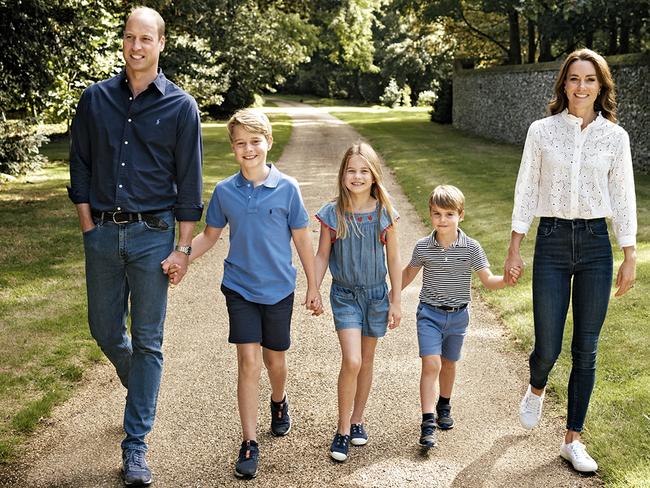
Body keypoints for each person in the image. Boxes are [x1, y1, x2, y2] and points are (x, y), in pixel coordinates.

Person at [68, 7, 202, 486]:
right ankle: (140, 389)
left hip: (153, 236)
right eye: (129, 37)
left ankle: (136, 446)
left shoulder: (182, 107)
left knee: (148, 340)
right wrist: (88, 226)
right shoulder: (94, 99)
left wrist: (183, 248)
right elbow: (79, 167)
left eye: (146, 38)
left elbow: (189, 184)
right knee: (104, 329)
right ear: (123, 42)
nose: (136, 46)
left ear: (161, 44)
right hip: (102, 233)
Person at [165, 108, 322, 479]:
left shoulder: (288, 188)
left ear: (268, 142)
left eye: (255, 142)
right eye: (240, 144)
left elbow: (302, 238)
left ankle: (279, 401)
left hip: (279, 288)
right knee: (248, 363)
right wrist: (181, 256)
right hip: (240, 288)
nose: (248, 149)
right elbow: (210, 236)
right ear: (233, 149)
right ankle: (250, 441)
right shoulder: (224, 191)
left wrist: (313, 285)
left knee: (275, 361)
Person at [505, 48, 637, 473]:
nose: (582, 86)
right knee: (548, 346)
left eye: (590, 79)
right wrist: (514, 245)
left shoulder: (615, 138)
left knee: (587, 348)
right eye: (575, 78)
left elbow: (623, 197)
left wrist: (628, 253)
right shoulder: (541, 131)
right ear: (564, 83)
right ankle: (537, 385)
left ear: (601, 87)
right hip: (552, 240)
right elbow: (526, 188)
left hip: (597, 243)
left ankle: (573, 439)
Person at [402, 185, 520, 449]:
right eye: (437, 214)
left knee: (449, 364)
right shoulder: (423, 247)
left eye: (448, 214)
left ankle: (444, 404)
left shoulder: (471, 248)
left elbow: (488, 280)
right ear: (430, 215)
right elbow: (408, 274)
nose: (442, 220)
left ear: (461, 215)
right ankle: (427, 421)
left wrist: (506, 281)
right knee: (431, 364)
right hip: (429, 315)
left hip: (458, 317)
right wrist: (390, 297)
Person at [314, 142, 402, 462]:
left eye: (364, 171)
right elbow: (323, 254)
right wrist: (313, 287)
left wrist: (396, 300)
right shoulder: (333, 213)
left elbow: (393, 258)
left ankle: (357, 419)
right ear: (342, 174)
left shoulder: (384, 213)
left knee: (366, 360)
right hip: (346, 295)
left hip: (377, 296)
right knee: (351, 360)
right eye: (351, 170)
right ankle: (341, 429)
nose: (357, 176)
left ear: (374, 176)